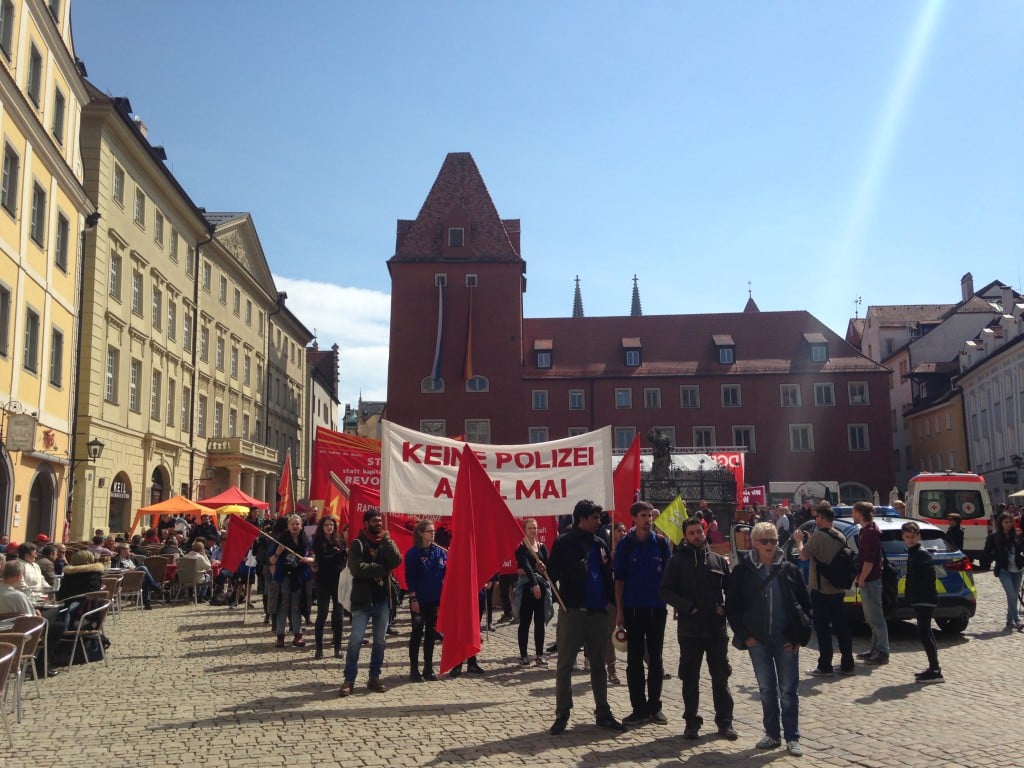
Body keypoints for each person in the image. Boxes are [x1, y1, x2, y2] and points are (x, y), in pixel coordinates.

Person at [728, 521, 810, 756]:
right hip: (759, 641)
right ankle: (772, 734)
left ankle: (792, 737)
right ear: (754, 543)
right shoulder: (743, 571)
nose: (770, 545)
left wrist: (798, 637)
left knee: (789, 691)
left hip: (785, 639)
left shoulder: (788, 569)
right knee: (767, 690)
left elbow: (804, 605)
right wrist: (746, 637)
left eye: (773, 540)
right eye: (764, 541)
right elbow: (733, 607)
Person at [547, 499, 625, 735]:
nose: (598, 521)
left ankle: (603, 711)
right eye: (594, 517)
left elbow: (607, 578)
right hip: (573, 613)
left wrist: (617, 607)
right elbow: (552, 575)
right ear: (581, 518)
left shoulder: (600, 543)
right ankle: (562, 713)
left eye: (599, 517)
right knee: (565, 665)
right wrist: (561, 593)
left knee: (599, 665)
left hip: (598, 614)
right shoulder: (563, 543)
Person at [659, 516, 735, 740]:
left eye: (699, 532)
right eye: (691, 533)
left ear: (704, 532)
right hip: (690, 630)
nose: (696, 536)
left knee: (720, 677)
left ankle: (725, 722)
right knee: (690, 678)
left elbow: (731, 590)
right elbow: (665, 591)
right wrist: (686, 607)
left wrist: (725, 607)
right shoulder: (677, 561)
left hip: (716, 631)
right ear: (685, 536)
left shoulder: (718, 561)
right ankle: (691, 722)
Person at [614, 501, 672, 727]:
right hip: (633, 609)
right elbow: (619, 579)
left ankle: (655, 707)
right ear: (634, 518)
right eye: (643, 516)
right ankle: (638, 708)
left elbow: (669, 577)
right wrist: (619, 611)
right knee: (634, 660)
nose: (648, 519)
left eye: (650, 515)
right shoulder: (625, 545)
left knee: (656, 660)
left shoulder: (661, 543)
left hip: (656, 609)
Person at [339, 508, 401, 697]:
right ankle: (349, 679)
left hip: (382, 600)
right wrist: (382, 569)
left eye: (380, 521)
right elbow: (358, 569)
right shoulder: (358, 544)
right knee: (356, 640)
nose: (378, 524)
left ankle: (374, 677)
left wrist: (388, 540)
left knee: (380, 642)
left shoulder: (385, 542)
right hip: (362, 601)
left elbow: (397, 561)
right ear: (366, 523)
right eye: (374, 521)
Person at [794, 501, 854, 676]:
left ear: (821, 518)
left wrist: (799, 542)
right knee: (841, 626)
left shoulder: (818, 536)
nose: (816, 520)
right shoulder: (840, 535)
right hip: (838, 587)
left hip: (821, 588)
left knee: (822, 628)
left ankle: (825, 665)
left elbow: (804, 556)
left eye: (817, 517)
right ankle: (847, 663)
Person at [405, 519, 446, 682]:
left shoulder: (440, 552)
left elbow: (446, 574)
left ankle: (428, 668)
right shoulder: (413, 553)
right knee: (417, 633)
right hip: (419, 600)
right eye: (430, 531)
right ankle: (414, 669)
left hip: (435, 600)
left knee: (431, 634)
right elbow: (410, 578)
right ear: (421, 533)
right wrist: (413, 598)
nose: (433, 533)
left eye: (434, 531)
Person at [902, 521, 943, 683]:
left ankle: (935, 670)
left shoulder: (921, 553)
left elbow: (927, 578)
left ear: (919, 536)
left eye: (913, 536)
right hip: (920, 599)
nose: (910, 539)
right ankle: (934, 667)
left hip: (925, 599)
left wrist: (916, 595)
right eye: (907, 537)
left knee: (924, 633)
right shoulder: (913, 552)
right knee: (925, 633)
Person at [851, 501, 889, 664]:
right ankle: (875, 648)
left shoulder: (869, 533)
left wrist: (862, 578)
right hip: (870, 579)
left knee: (876, 617)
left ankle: (882, 651)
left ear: (859, 513)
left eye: (853, 512)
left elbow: (869, 560)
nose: (852, 515)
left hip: (871, 580)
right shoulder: (867, 531)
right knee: (871, 618)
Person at [270, 514, 314, 648]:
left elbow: (313, 556)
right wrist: (278, 553)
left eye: (297, 524)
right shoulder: (280, 541)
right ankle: (280, 637)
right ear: (288, 526)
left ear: (301, 526)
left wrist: (309, 560)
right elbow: (271, 561)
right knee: (282, 606)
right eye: (292, 524)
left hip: (299, 577)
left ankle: (297, 635)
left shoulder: (307, 540)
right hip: (283, 577)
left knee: (296, 606)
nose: (295, 526)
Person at [514, 518, 550, 666]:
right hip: (527, 589)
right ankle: (523, 655)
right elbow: (526, 567)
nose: (533, 531)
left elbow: (548, 566)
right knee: (525, 622)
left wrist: (543, 568)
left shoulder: (542, 547)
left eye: (535, 528)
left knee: (539, 623)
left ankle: (540, 655)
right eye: (530, 528)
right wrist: (534, 583)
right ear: (524, 530)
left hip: (541, 589)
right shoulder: (521, 548)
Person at [311, 516, 346, 658]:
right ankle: (319, 648)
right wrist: (339, 554)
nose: (329, 527)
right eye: (326, 525)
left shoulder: (339, 540)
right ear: (322, 526)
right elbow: (324, 560)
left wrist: (340, 555)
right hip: (323, 582)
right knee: (322, 614)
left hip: (338, 581)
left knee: (338, 615)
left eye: (331, 525)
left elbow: (342, 560)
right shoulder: (318, 542)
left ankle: (338, 647)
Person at [984, 512, 1024, 631]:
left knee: (1014, 596)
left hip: (1018, 569)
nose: (1008, 525)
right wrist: (998, 557)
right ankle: (1017, 620)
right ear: (1000, 523)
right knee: (1011, 594)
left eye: (1010, 522)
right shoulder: (994, 537)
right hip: (1003, 569)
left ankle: (1009, 619)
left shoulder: (1017, 535)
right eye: (1006, 522)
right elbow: (986, 552)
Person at [605, 521, 627, 684]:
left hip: (630, 598)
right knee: (610, 636)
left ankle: (654, 665)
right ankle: (611, 670)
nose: (622, 533)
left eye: (624, 530)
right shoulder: (605, 549)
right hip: (612, 600)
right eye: (619, 530)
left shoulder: (629, 548)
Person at [110, 543, 161, 609]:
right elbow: (115, 570)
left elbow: (139, 566)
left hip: (136, 578)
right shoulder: (115, 559)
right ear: (122, 550)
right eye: (128, 549)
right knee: (143, 568)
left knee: (145, 580)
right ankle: (155, 587)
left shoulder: (132, 558)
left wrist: (134, 567)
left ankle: (147, 603)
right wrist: (128, 569)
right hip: (126, 579)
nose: (130, 550)